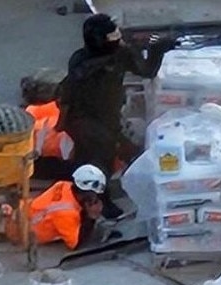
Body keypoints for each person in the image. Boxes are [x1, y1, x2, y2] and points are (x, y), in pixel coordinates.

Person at [56, 13, 178, 219]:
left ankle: (91, 198)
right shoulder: (81, 61)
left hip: (108, 117)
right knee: (94, 160)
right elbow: (72, 86)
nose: (118, 40)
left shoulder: (119, 55)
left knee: (109, 155)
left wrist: (157, 49)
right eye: (113, 37)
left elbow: (146, 70)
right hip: (84, 119)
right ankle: (96, 202)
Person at [28, 164, 106, 250]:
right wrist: (91, 217)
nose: (96, 197)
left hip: (23, 213)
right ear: (86, 193)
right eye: (94, 194)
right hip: (23, 233)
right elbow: (75, 245)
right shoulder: (66, 213)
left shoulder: (63, 185)